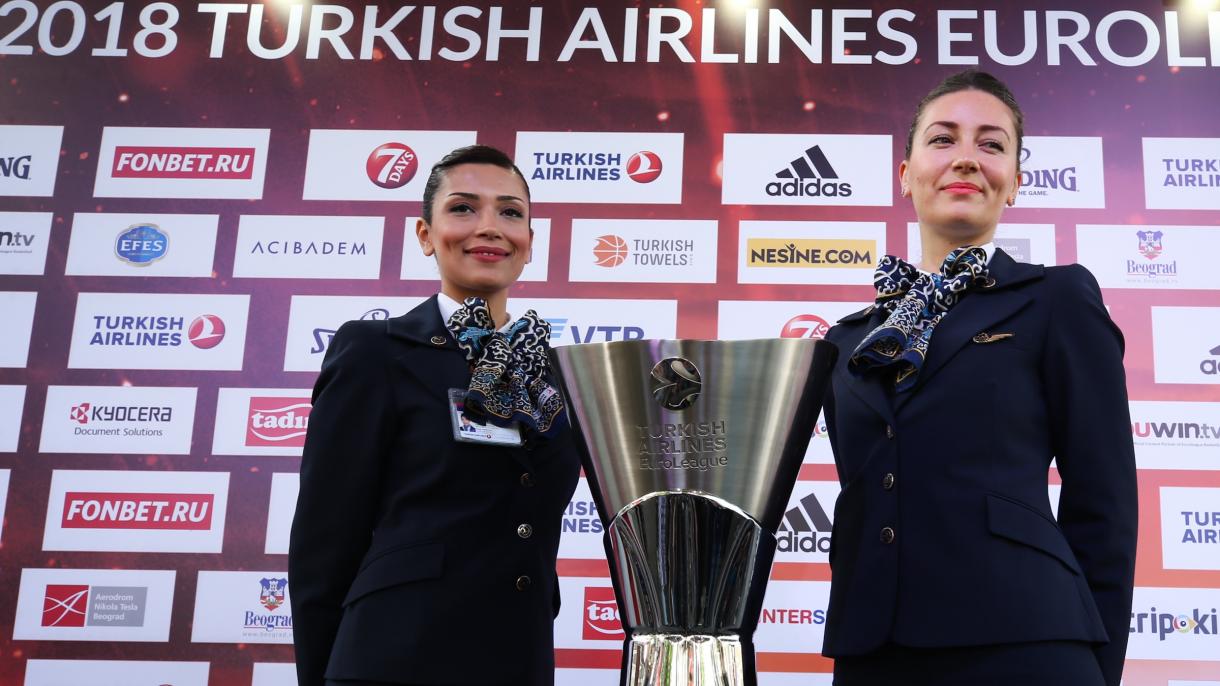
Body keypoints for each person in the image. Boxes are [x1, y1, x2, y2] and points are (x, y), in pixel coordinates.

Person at [820, 70, 1137, 686]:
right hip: (872, 651)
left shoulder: (1058, 298)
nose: (966, 157)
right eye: (943, 140)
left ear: (1015, 182)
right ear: (905, 173)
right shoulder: (847, 340)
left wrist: (1098, 666)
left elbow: (1105, 502)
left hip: (1028, 643)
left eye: (991, 145)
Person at [289, 145, 581, 686]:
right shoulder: (375, 350)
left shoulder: (559, 374)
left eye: (511, 212)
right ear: (426, 235)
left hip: (518, 659)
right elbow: (323, 545)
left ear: (530, 243)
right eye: (464, 208)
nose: (490, 227)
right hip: (394, 659)